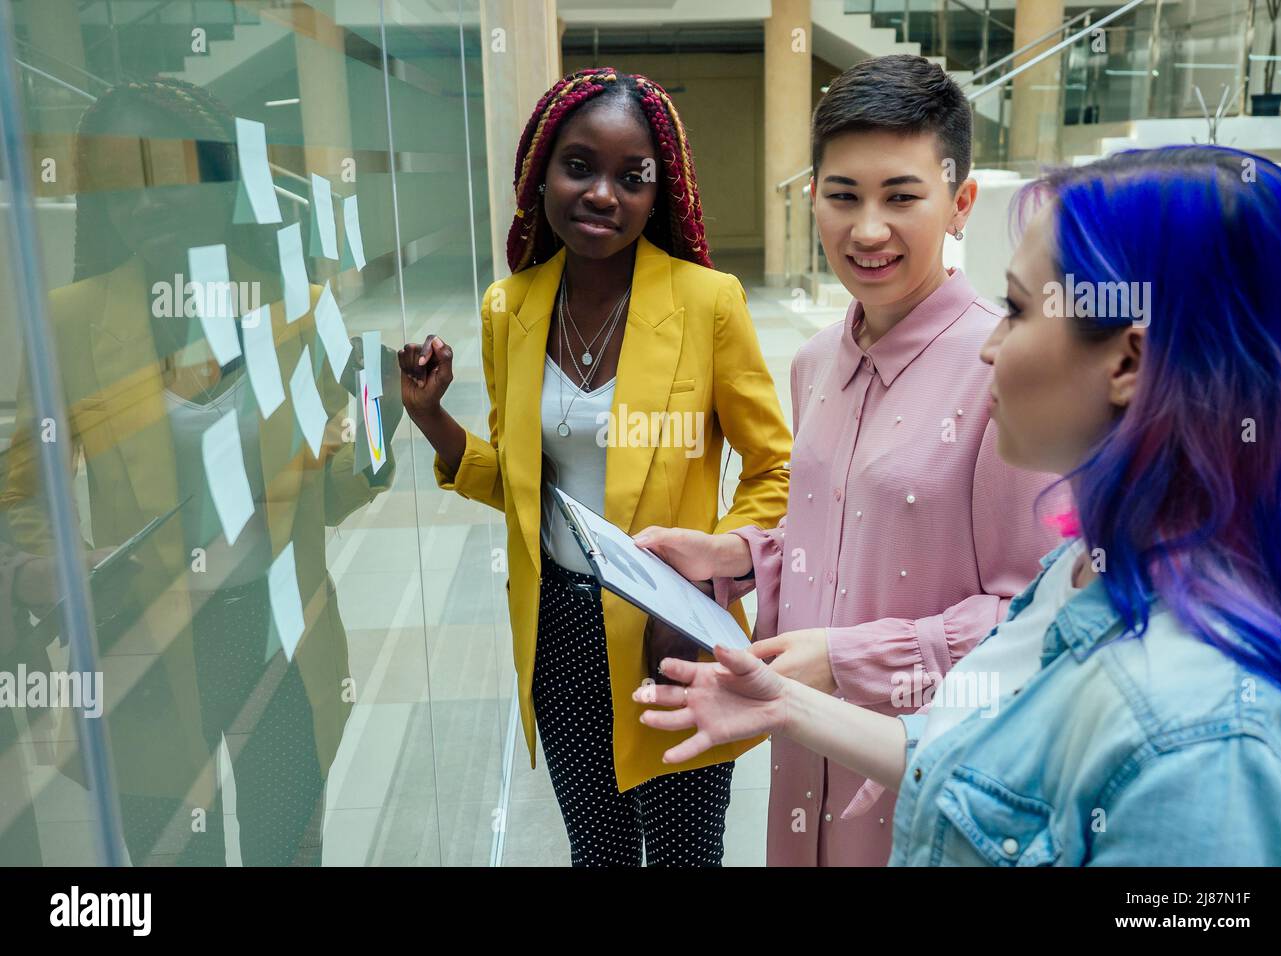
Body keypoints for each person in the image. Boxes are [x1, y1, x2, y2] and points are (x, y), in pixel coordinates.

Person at [636, 145, 1281, 865]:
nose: (990, 348)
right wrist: (785, 698)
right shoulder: (1082, 571)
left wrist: (847, 662)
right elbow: (983, 745)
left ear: (1128, 362)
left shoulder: (1201, 741)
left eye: (1015, 310)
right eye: (842, 195)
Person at [635, 55, 1062, 865]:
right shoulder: (814, 361)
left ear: (960, 203)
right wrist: (735, 556)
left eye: (902, 197)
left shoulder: (1005, 368)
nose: (868, 230)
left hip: (919, 781)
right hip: (801, 769)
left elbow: (1036, 619)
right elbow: (837, 537)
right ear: (812, 199)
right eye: (843, 197)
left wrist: (843, 660)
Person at [0, 78, 402, 865]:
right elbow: (27, 482)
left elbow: (334, 482)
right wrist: (46, 567)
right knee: (176, 852)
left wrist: (386, 430)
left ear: (219, 179)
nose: (143, 205)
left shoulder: (300, 305)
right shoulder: (70, 321)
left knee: (285, 845)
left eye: (167, 177)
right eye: (119, 189)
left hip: (279, 630)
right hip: (147, 640)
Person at [398, 68, 791, 866]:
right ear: (540, 171)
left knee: (685, 854)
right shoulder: (510, 308)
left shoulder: (708, 303)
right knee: (600, 854)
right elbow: (517, 481)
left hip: (667, 632)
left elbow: (775, 469)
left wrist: (714, 578)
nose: (603, 193)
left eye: (631, 176)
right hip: (556, 632)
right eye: (579, 166)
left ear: (659, 193)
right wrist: (432, 418)